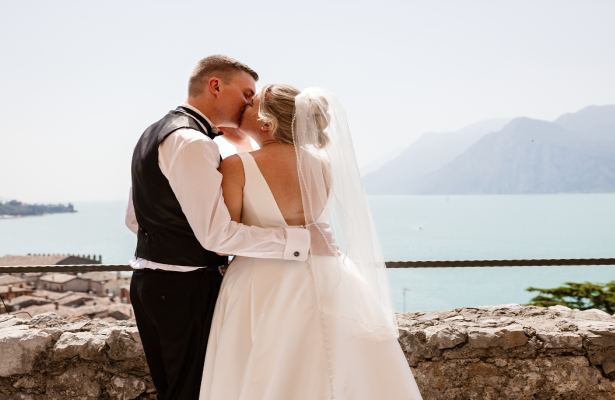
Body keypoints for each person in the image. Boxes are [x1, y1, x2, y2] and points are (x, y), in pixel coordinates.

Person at [199, 84, 422, 399]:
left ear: (266, 123)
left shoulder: (238, 166)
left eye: (251, 105)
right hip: (327, 274)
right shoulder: (323, 166)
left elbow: (224, 241)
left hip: (260, 283)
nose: (243, 106)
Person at [125, 56, 316, 400]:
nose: (249, 103)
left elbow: (134, 219)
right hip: (185, 289)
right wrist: (298, 241)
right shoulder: (195, 143)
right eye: (246, 93)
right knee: (194, 392)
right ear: (215, 85)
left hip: (148, 285)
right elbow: (217, 236)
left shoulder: (155, 132)